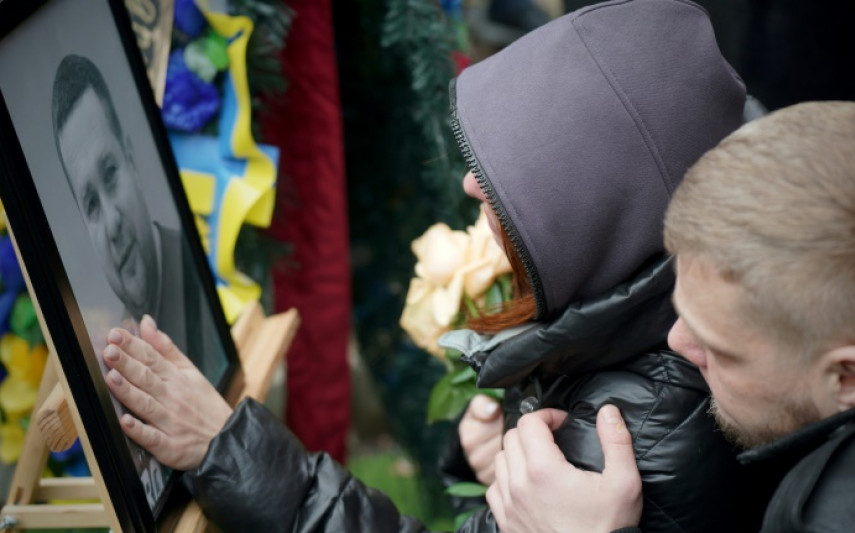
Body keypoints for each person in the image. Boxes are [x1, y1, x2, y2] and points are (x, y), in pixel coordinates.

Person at [100, 0, 776, 530]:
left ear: (601, 213)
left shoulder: (627, 431)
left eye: (520, 182)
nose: (472, 188)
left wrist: (225, 447)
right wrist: (501, 456)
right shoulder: (662, 315)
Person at [487, 100, 855, 532]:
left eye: (720, 348)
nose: (676, 341)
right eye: (682, 310)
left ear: (850, 379)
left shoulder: (850, 517)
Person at [51, 54, 221, 375]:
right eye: (91, 205)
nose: (113, 223)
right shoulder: (115, 361)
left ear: (133, 163)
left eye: (111, 173)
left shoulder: (201, 279)